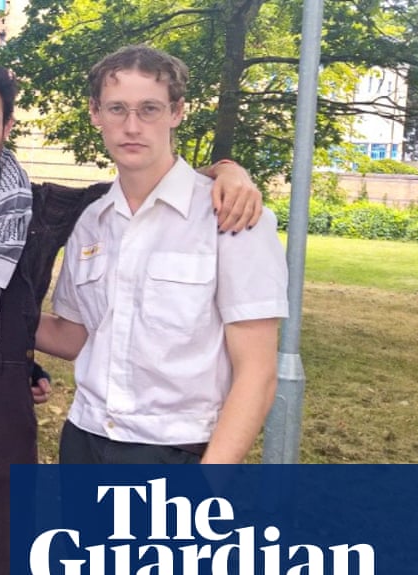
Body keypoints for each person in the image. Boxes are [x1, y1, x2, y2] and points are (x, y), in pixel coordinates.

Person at [0, 61, 264, 575]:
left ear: (7, 126)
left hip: (10, 416)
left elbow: (149, 180)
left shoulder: (49, 210)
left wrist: (228, 171)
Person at [36, 45, 288, 466]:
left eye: (149, 109)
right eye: (117, 109)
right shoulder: (92, 222)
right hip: (84, 441)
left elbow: (257, 374)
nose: (132, 126)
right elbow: (72, 337)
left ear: (177, 112)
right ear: (95, 113)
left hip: (175, 454)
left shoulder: (231, 217)